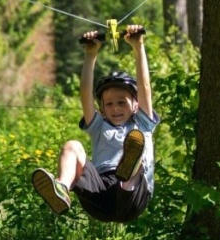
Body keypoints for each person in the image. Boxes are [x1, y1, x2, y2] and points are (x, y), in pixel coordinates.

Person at [31, 24, 161, 223]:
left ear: (136, 105)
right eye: (109, 104)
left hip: (131, 198)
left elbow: (144, 87)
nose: (115, 108)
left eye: (122, 102)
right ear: (102, 109)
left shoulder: (142, 123)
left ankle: (129, 167)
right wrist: (90, 55)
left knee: (135, 144)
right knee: (72, 146)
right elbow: (85, 94)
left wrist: (138, 46)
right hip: (99, 195)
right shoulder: (99, 127)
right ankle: (61, 188)